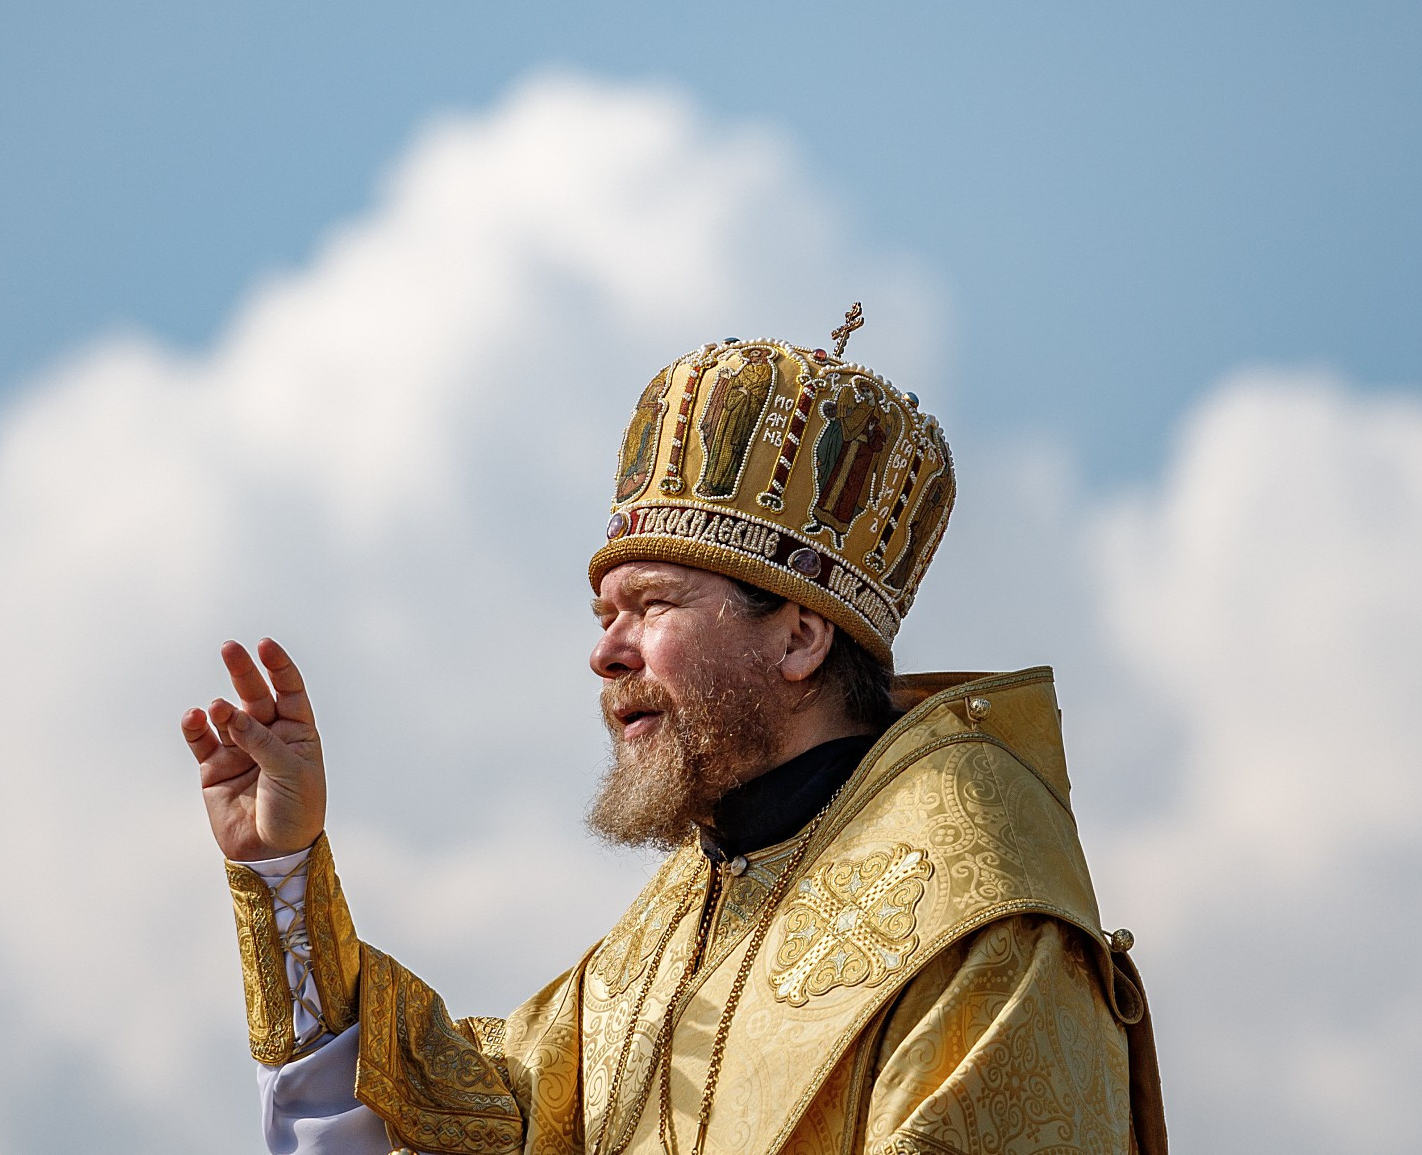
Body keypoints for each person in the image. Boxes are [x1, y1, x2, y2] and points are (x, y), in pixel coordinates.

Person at [180, 317, 1166, 1154]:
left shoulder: (980, 914)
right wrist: (282, 873)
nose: (606, 654)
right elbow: (477, 1119)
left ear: (797, 634)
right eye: (601, 612)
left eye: (649, 604)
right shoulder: (676, 921)